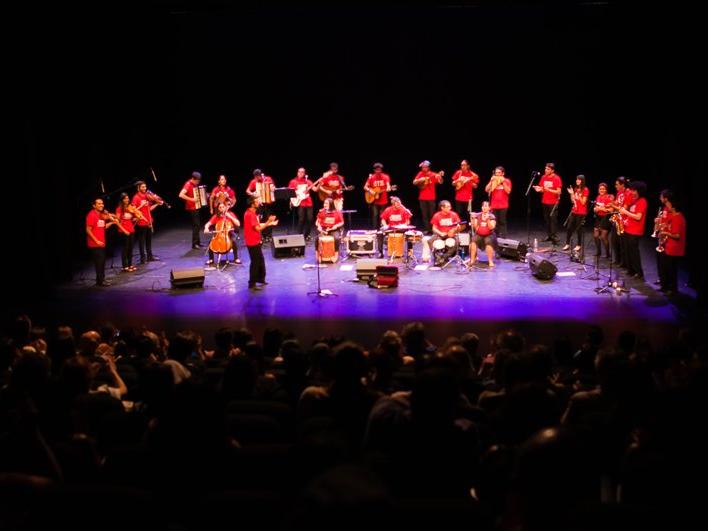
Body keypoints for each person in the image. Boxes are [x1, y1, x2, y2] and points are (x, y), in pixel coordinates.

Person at [243, 196, 278, 290]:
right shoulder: (250, 214)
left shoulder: (253, 213)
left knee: (260, 260)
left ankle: (260, 279)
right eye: (256, 201)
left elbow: (257, 225)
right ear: (252, 204)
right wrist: (268, 221)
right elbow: (258, 228)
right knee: (255, 262)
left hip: (255, 240)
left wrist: (271, 223)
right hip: (252, 242)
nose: (258, 202)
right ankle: (251, 283)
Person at [86, 198, 122, 287]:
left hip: (101, 242)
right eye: (99, 204)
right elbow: (88, 229)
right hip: (95, 244)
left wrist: (113, 222)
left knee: (102, 262)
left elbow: (104, 226)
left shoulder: (101, 215)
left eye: (102, 203)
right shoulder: (91, 215)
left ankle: (101, 280)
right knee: (99, 262)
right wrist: (96, 241)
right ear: (94, 205)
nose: (101, 205)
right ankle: (100, 281)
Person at [657, 194, 686, 296]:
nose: (667, 206)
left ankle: (673, 289)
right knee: (666, 268)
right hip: (668, 246)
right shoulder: (672, 216)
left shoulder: (678, 218)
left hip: (674, 249)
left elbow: (677, 235)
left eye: (668, 205)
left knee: (671, 270)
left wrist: (665, 233)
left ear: (673, 207)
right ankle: (665, 287)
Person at [618, 180, 648, 280]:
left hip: (635, 231)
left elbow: (638, 217)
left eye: (634, 190)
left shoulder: (642, 201)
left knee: (634, 252)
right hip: (628, 229)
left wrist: (625, 212)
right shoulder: (635, 201)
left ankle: (639, 272)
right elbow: (631, 215)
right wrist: (625, 220)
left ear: (639, 191)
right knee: (628, 251)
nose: (632, 192)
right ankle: (631, 270)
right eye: (631, 190)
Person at [131, 180, 161, 263]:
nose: (145, 188)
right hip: (141, 222)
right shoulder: (135, 197)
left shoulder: (147, 196)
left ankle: (150, 256)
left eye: (145, 186)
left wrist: (157, 204)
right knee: (142, 240)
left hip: (149, 220)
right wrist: (141, 205)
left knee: (149, 240)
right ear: (138, 188)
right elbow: (133, 210)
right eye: (143, 187)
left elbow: (149, 209)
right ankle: (142, 258)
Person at [204, 202, 241, 267]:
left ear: (225, 207)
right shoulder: (216, 216)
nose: (222, 208)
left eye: (223, 207)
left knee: (233, 241)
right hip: (219, 234)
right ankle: (211, 259)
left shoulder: (231, 214)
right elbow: (208, 224)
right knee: (210, 242)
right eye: (220, 207)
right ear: (218, 209)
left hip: (229, 233)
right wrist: (206, 228)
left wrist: (230, 216)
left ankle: (236, 258)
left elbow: (238, 224)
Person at [533, 162, 562, 245]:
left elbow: (558, 192)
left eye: (548, 169)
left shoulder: (557, 178)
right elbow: (542, 189)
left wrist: (548, 189)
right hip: (545, 201)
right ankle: (549, 235)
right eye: (545, 168)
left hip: (553, 202)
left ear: (552, 170)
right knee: (547, 220)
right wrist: (538, 189)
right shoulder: (543, 177)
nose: (546, 170)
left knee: (553, 220)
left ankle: (554, 237)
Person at [413, 160, 444, 234]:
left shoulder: (433, 174)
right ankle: (427, 229)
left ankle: (433, 229)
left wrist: (440, 177)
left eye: (425, 167)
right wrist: (421, 179)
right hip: (422, 198)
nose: (423, 168)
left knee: (432, 215)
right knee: (425, 215)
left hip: (431, 197)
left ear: (428, 167)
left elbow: (441, 182)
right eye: (422, 167)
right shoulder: (420, 173)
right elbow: (414, 182)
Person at [246, 169, 276, 242]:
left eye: (257, 177)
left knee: (269, 218)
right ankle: (262, 235)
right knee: (260, 219)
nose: (256, 178)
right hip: (259, 203)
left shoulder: (268, 179)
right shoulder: (254, 181)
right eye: (255, 177)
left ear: (260, 175)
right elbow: (247, 191)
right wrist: (253, 194)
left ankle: (269, 236)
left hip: (268, 202)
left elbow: (273, 188)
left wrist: (272, 188)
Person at [429, 200, 462, 266]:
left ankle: (444, 257)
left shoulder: (454, 214)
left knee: (458, 241)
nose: (450, 208)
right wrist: (440, 233)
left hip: (450, 234)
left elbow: (459, 226)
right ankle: (437, 257)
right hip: (440, 234)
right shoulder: (437, 215)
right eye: (448, 207)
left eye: (450, 206)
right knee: (430, 241)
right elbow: (434, 228)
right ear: (442, 208)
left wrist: (455, 229)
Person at [563, 174, 589, 253]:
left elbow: (583, 202)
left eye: (579, 179)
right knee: (569, 227)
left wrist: (579, 197)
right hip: (574, 211)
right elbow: (572, 201)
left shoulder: (585, 189)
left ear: (582, 181)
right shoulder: (576, 188)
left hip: (581, 212)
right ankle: (567, 243)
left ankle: (579, 245)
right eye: (576, 179)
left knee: (578, 229)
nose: (577, 181)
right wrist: (571, 193)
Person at [178, 171, 204, 249]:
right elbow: (181, 195)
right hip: (192, 208)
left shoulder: (194, 184)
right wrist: (192, 199)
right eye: (197, 181)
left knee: (198, 225)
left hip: (196, 206)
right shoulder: (188, 184)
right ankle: (194, 244)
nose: (198, 182)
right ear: (193, 179)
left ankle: (198, 243)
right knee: (196, 225)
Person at [116, 193, 141, 272]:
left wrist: (136, 218)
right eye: (125, 199)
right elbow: (117, 221)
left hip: (131, 230)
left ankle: (130, 264)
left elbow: (131, 219)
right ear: (122, 200)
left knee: (130, 248)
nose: (127, 200)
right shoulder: (119, 209)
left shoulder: (130, 208)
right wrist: (124, 230)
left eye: (127, 198)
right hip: (123, 231)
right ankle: (125, 266)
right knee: (125, 248)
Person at [288, 167, 315, 241]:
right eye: (299, 172)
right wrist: (291, 201)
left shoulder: (308, 181)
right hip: (300, 202)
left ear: (304, 173)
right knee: (301, 219)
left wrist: (319, 184)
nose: (301, 173)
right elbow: (290, 192)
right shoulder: (293, 181)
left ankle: (307, 235)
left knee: (310, 219)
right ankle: (299, 235)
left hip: (309, 202)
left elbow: (315, 189)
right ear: (297, 172)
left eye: (302, 172)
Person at [485, 165, 512, 238]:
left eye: (499, 173)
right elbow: (487, 189)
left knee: (502, 222)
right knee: (494, 222)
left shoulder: (507, 181)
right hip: (494, 205)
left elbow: (508, 191)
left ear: (503, 173)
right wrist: (491, 181)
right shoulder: (493, 180)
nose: (497, 174)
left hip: (503, 205)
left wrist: (503, 182)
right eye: (496, 173)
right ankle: (495, 238)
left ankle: (503, 238)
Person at [364, 162, 392, 229]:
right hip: (374, 199)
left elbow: (388, 185)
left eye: (379, 169)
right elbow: (365, 187)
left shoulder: (386, 176)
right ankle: (374, 229)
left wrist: (388, 188)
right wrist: (370, 190)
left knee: (382, 215)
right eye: (377, 170)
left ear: (381, 170)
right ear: (374, 170)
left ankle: (382, 229)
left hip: (383, 199)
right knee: (375, 215)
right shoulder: (371, 177)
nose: (378, 171)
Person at [315, 198, 345, 263]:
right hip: (323, 229)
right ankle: (317, 254)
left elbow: (342, 222)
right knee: (317, 238)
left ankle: (336, 254)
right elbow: (317, 221)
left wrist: (336, 226)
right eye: (324, 203)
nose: (324, 205)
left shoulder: (337, 212)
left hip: (333, 229)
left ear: (331, 204)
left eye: (326, 203)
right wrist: (319, 227)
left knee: (336, 238)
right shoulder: (321, 211)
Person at [469, 201, 497, 267]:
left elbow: (491, 227)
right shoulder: (478, 215)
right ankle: (472, 260)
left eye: (486, 206)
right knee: (473, 240)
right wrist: (473, 219)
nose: (484, 207)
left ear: (489, 208)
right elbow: (475, 227)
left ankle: (490, 261)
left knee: (488, 241)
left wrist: (487, 220)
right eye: (483, 206)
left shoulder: (492, 216)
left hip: (489, 234)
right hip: (479, 234)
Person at [609, 176, 628, 266]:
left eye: (617, 184)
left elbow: (623, 209)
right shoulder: (619, 193)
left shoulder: (627, 193)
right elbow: (616, 203)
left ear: (622, 185)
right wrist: (611, 203)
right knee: (614, 240)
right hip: (617, 219)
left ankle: (623, 262)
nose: (615, 186)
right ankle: (617, 259)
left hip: (623, 221)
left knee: (621, 243)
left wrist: (613, 206)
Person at [592, 182, 614, 259]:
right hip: (598, 217)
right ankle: (598, 252)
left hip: (606, 218)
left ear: (606, 190)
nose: (602, 190)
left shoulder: (609, 197)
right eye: (600, 189)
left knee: (603, 237)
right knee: (595, 236)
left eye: (603, 189)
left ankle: (608, 254)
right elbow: (596, 207)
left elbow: (611, 210)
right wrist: (595, 209)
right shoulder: (598, 197)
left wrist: (602, 209)